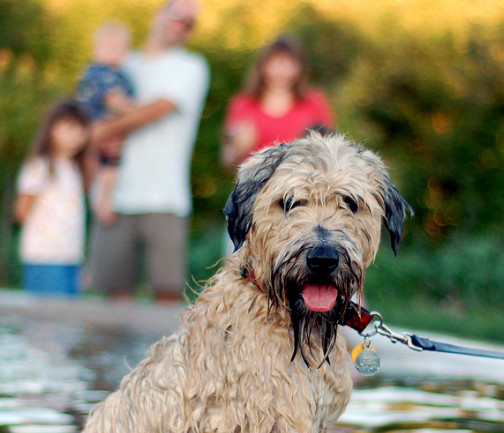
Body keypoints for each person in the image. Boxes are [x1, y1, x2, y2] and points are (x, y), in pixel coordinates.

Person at [88, 0, 209, 301]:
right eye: (177, 16)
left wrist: (101, 131)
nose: (181, 25)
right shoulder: (122, 62)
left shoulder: (191, 67)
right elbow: (86, 113)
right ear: (159, 13)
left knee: (167, 297)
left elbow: (153, 111)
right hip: (115, 198)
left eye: (189, 23)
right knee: (112, 302)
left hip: (165, 199)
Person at [220, 35, 334, 172]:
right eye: (275, 62)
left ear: (300, 67)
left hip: (299, 188)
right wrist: (239, 149)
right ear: (262, 66)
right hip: (255, 187)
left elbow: (332, 154)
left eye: (288, 63)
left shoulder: (313, 102)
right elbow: (226, 161)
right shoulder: (243, 103)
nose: (281, 70)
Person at [15, 99, 90, 297]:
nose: (76, 135)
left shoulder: (74, 168)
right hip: (44, 257)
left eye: (81, 129)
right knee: (46, 321)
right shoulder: (40, 166)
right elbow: (22, 211)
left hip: (70, 257)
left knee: (67, 320)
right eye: (69, 128)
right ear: (51, 129)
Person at [75, 21, 136, 228]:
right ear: (96, 50)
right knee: (95, 162)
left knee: (110, 168)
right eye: (109, 48)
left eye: (120, 49)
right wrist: (141, 114)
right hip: (96, 129)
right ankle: (96, 202)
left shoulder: (120, 74)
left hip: (112, 134)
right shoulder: (99, 74)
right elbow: (116, 101)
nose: (114, 53)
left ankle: (103, 202)